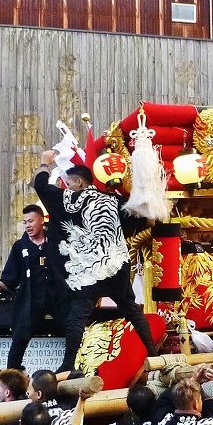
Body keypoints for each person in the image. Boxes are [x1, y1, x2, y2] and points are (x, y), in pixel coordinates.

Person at [32, 153, 158, 373]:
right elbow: (137, 219)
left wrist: (45, 163)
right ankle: (154, 352)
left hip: (86, 271)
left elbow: (40, 185)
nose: (66, 187)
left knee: (77, 317)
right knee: (131, 310)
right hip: (115, 267)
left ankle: (67, 364)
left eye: (68, 183)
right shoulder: (114, 200)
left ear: (79, 182)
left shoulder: (69, 199)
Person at [0, 205, 69, 370]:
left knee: (73, 331)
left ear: (41, 220)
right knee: (19, 340)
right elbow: (10, 276)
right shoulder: (20, 247)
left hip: (58, 298)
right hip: (31, 300)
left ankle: (73, 369)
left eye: (31, 221)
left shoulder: (57, 242)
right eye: (25, 222)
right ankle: (11, 377)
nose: (27, 225)